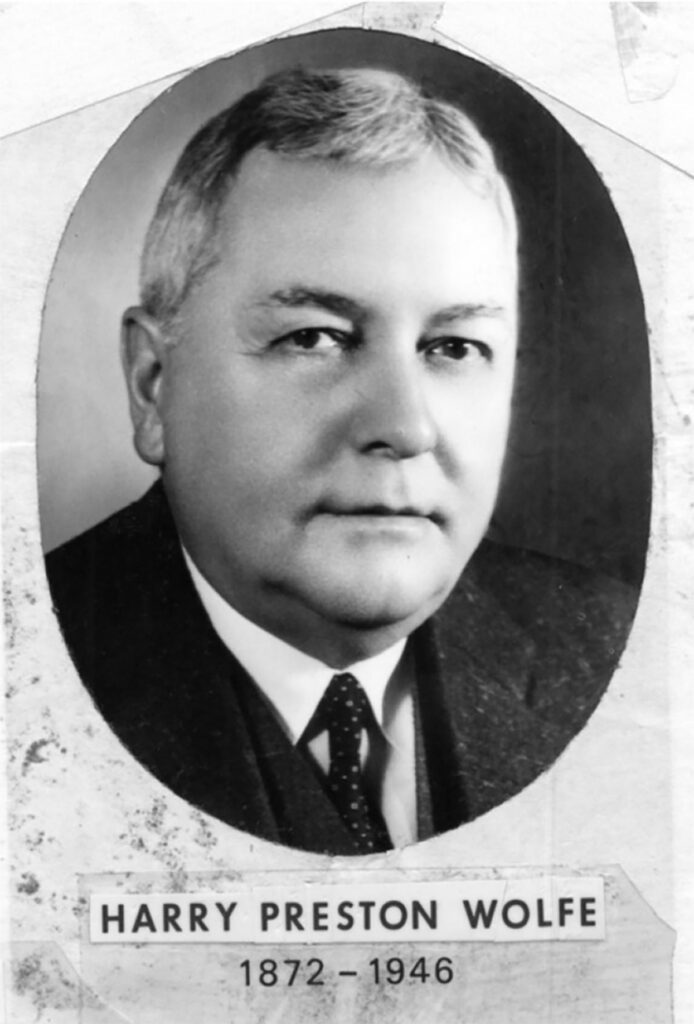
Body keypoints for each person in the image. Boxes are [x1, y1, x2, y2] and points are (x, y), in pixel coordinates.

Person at [45, 66, 637, 855]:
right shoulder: (32, 671)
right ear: (153, 386)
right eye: (313, 337)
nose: (406, 426)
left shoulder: (623, 661)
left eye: (454, 347)